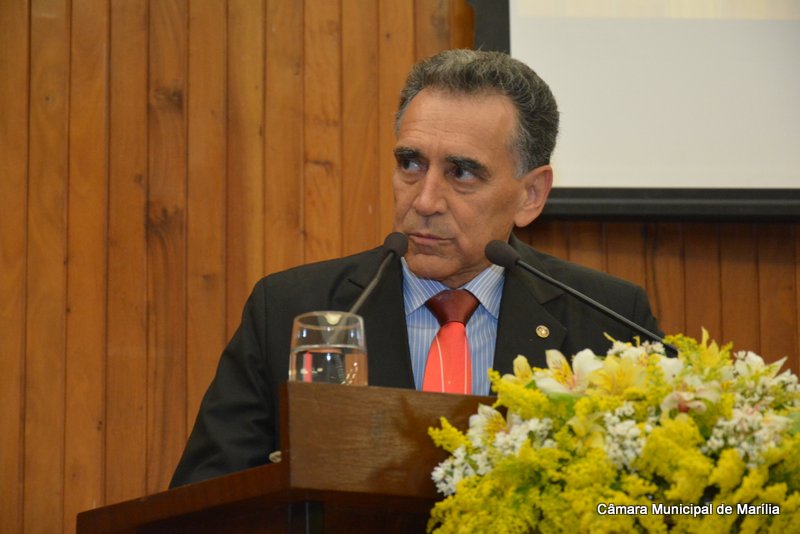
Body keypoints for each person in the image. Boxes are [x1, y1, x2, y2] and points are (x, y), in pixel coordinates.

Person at [170, 49, 661, 487]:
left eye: (461, 173)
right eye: (411, 164)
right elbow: (204, 500)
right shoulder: (290, 309)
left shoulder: (609, 320)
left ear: (530, 195)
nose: (424, 201)